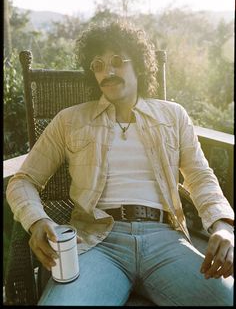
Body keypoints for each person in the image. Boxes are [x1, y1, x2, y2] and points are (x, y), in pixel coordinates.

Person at [6, 20, 234, 306]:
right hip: (97, 243)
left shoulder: (173, 116)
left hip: (165, 240)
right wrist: (37, 220)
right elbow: (22, 180)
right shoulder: (70, 120)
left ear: (138, 64)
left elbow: (200, 177)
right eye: (98, 65)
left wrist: (224, 226)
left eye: (117, 61)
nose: (107, 72)